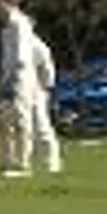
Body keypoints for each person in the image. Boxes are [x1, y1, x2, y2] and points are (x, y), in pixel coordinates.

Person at [0, 0, 59, 178]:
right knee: (8, 122)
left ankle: (26, 164)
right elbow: (7, 58)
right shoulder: (6, 29)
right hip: (10, 78)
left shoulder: (20, 24)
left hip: (23, 80)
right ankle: (10, 161)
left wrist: (44, 84)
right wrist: (4, 80)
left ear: (9, 3)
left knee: (28, 122)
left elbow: (26, 57)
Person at [29, 30, 63, 176]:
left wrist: (46, 88)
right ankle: (26, 161)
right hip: (20, 91)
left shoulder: (37, 46)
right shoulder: (15, 44)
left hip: (37, 90)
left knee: (41, 125)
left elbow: (48, 70)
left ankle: (52, 161)